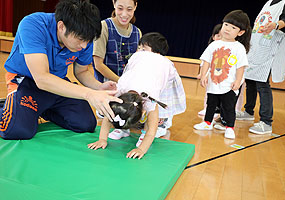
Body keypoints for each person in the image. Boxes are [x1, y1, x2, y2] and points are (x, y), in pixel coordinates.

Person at [0, 0, 122, 140]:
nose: (83, 46)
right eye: (80, 39)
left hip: (57, 83)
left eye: (87, 41)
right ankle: (11, 106)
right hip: (26, 81)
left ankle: (36, 110)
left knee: (85, 124)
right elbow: (42, 79)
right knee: (17, 130)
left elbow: (81, 71)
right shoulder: (33, 25)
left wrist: (99, 87)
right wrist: (89, 94)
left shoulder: (85, 38)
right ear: (61, 26)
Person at [88, 32, 186, 159]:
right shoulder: (121, 88)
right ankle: (123, 129)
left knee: (157, 116)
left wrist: (141, 149)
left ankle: (161, 124)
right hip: (135, 68)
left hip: (163, 76)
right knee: (120, 112)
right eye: (140, 48)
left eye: (143, 48)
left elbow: (152, 128)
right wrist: (102, 139)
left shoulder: (151, 97)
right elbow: (108, 115)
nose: (140, 50)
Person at [236, 0, 285, 134]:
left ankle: (266, 122)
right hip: (257, 47)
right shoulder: (269, 2)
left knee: (262, 83)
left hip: (271, 48)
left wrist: (275, 25)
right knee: (250, 80)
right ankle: (249, 111)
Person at [194, 10, 251, 139]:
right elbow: (206, 61)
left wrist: (238, 81)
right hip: (214, 82)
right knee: (211, 104)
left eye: (233, 27)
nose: (228, 29)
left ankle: (230, 127)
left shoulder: (239, 48)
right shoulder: (214, 44)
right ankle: (207, 122)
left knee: (229, 107)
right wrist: (203, 75)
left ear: (240, 32)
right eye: (226, 25)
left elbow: (241, 66)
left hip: (229, 84)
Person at [92, 0, 141, 83]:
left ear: (135, 6)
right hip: (105, 85)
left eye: (129, 9)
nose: (124, 14)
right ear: (114, 4)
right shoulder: (104, 27)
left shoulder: (137, 33)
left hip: (127, 87)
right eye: (120, 8)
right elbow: (98, 65)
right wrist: (122, 82)